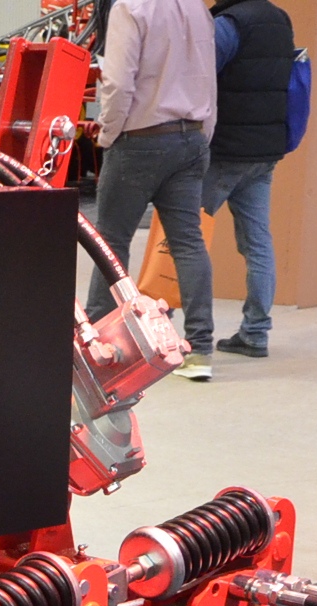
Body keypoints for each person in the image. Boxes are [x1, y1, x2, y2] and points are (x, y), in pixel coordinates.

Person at [86, 0, 222, 381]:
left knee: (110, 242)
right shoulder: (198, 9)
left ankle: (96, 345)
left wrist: (108, 134)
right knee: (188, 242)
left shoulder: (130, 8)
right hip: (191, 137)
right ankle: (200, 350)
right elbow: (208, 80)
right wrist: (203, 134)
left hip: (139, 140)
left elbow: (118, 82)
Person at [200, 0, 293, 359]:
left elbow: (198, 77)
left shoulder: (229, 24)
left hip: (224, 150)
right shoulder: (280, 20)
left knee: (183, 240)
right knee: (258, 243)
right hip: (264, 152)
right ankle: (255, 332)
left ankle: (173, 332)